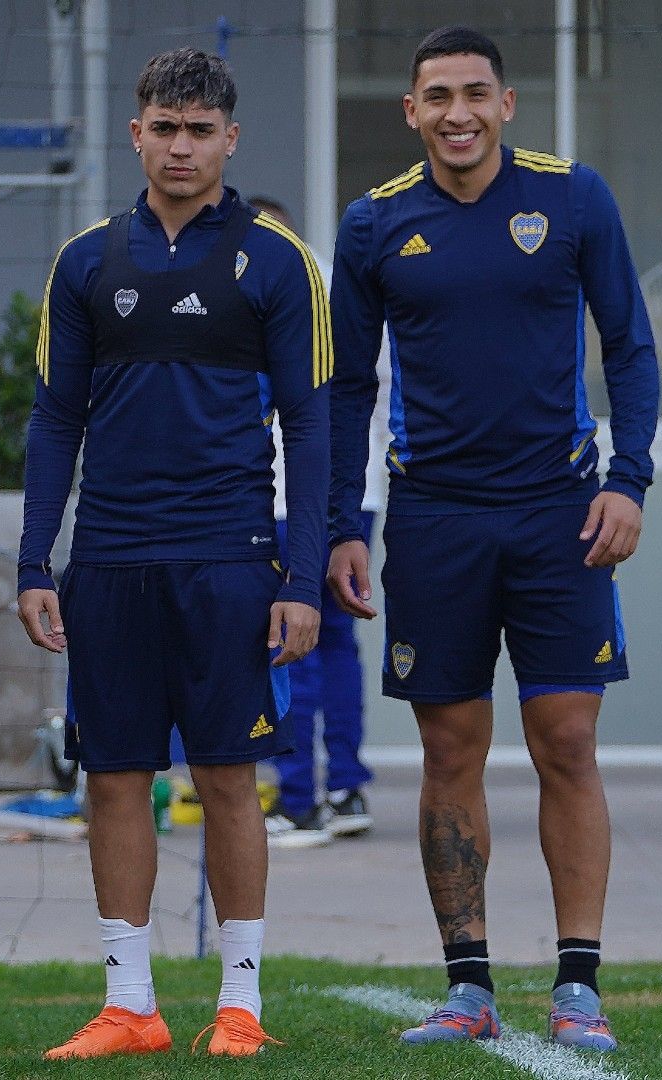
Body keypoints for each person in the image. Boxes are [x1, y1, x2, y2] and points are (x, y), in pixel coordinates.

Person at [326, 26, 659, 1052]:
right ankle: (467, 986)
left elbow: (630, 344)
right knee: (448, 749)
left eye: (477, 93)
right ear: (412, 112)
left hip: (559, 519)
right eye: (439, 96)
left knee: (567, 742)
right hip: (433, 523)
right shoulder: (375, 224)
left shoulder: (572, 199)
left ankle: (579, 987)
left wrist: (628, 480)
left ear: (507, 106)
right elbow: (345, 389)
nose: (458, 112)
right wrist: (343, 525)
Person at [16, 48, 330, 1059]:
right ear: (136, 132)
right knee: (114, 777)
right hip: (108, 560)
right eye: (165, 126)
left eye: (201, 130)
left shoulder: (278, 260)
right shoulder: (84, 262)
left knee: (229, 777)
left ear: (231, 139)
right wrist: (34, 560)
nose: (182, 145)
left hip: (230, 558)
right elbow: (55, 420)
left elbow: (311, 430)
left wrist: (303, 575)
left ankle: (240, 1003)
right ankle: (131, 1005)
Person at [247, 193, 379, 850]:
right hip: (357, 496)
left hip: (285, 497)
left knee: (290, 638)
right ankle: (346, 788)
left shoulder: (268, 282)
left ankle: (299, 800)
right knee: (333, 643)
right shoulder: (336, 277)